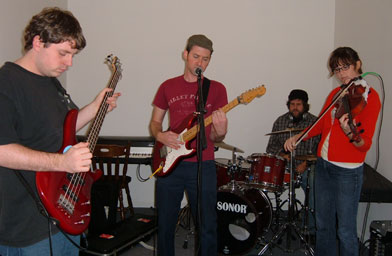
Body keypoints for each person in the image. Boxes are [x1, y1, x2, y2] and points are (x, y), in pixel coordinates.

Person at [0, 7, 121, 256]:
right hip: (28, 227)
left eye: (73, 55)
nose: (69, 63)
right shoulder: (7, 83)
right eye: (63, 53)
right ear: (38, 41)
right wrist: (62, 161)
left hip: (63, 212)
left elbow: (64, 128)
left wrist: (96, 108)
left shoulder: (50, 81)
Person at [284, 47, 381, 256]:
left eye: (346, 67)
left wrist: (349, 132)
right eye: (337, 70)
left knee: (345, 230)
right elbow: (319, 126)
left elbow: (364, 144)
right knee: (323, 225)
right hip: (324, 166)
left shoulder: (370, 97)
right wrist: (297, 137)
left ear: (358, 64)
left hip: (347, 170)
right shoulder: (336, 94)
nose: (342, 74)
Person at [149, 34, 228, 256]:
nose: (200, 63)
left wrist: (220, 131)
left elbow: (216, 136)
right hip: (170, 163)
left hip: (203, 165)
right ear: (185, 55)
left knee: (208, 225)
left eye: (205, 59)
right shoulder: (167, 86)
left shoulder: (217, 89)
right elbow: (155, 123)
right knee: (165, 223)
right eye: (195, 56)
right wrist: (161, 136)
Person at [266, 89, 320, 236]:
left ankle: (309, 228)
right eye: (292, 104)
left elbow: (321, 150)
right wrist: (282, 154)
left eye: (299, 104)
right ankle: (271, 220)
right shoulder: (280, 121)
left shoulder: (315, 123)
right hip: (284, 165)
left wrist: (307, 164)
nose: (295, 107)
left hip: (307, 166)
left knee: (314, 183)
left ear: (305, 106)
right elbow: (271, 148)